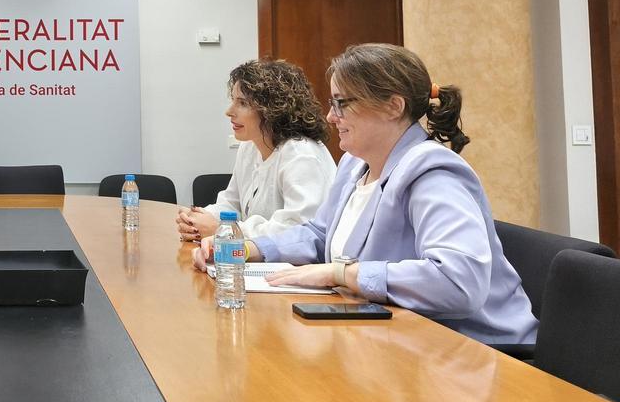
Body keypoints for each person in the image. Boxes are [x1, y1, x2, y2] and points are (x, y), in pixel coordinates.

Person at [194, 43, 538, 344]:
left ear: (393, 106)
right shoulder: (354, 165)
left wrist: (340, 274)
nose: (330, 117)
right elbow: (318, 235)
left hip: (475, 353)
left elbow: (458, 282)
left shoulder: (434, 173)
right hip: (395, 339)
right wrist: (245, 248)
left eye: (342, 104)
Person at [176, 59, 336, 240]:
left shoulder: (302, 154)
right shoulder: (250, 146)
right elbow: (231, 205)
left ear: (273, 109)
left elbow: (298, 231)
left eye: (243, 103)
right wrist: (197, 219)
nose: (229, 111)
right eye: (233, 101)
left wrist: (225, 230)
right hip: (256, 254)